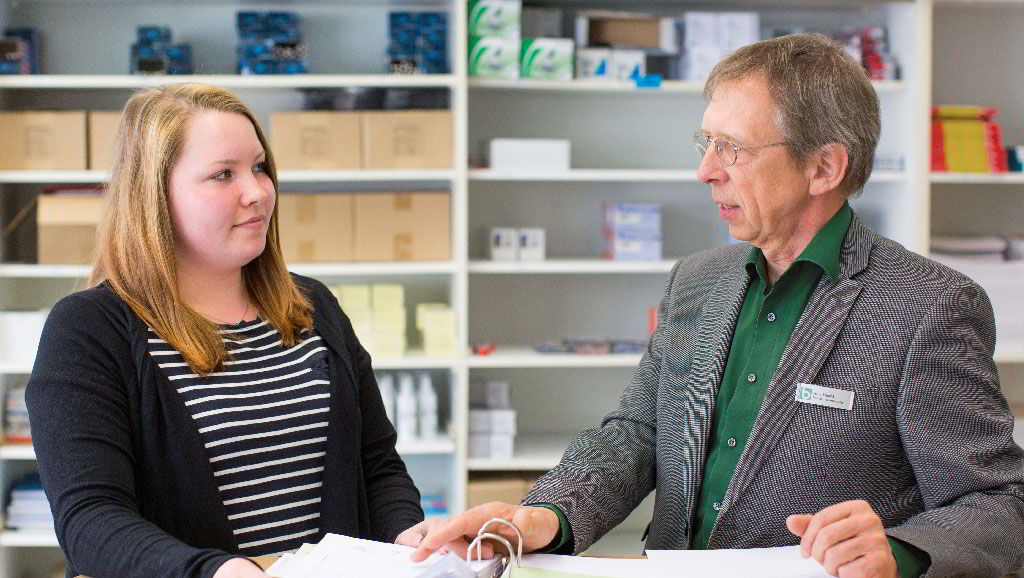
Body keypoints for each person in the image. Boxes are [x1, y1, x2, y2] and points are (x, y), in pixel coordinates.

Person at [412, 34, 1024, 577]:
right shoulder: (697, 281)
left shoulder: (928, 305)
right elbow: (636, 435)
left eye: (732, 149)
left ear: (823, 167)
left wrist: (898, 551)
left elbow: (1001, 503)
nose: (705, 171)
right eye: (706, 143)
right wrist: (544, 516)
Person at [26, 83, 440, 578]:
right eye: (223, 175)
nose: (258, 191)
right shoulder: (89, 331)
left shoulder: (313, 307)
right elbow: (91, 521)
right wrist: (217, 572)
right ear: (154, 196)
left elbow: (377, 466)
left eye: (259, 166)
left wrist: (405, 537)